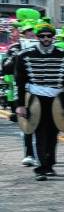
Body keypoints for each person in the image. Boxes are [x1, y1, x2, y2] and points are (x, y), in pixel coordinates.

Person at [15, 22, 64, 181]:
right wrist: (20, 104)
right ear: (37, 37)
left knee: (53, 133)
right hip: (35, 99)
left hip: (57, 99)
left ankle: (49, 164)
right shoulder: (24, 56)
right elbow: (19, 82)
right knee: (40, 133)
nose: (45, 39)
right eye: (42, 36)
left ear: (53, 37)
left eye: (49, 36)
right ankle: (41, 168)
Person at [3, 9, 40, 167]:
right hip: (22, 91)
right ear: (23, 33)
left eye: (34, 32)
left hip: (42, 91)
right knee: (26, 123)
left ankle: (43, 153)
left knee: (43, 125)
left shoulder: (45, 47)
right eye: (28, 32)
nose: (31, 35)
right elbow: (5, 68)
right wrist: (17, 56)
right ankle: (29, 153)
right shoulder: (15, 48)